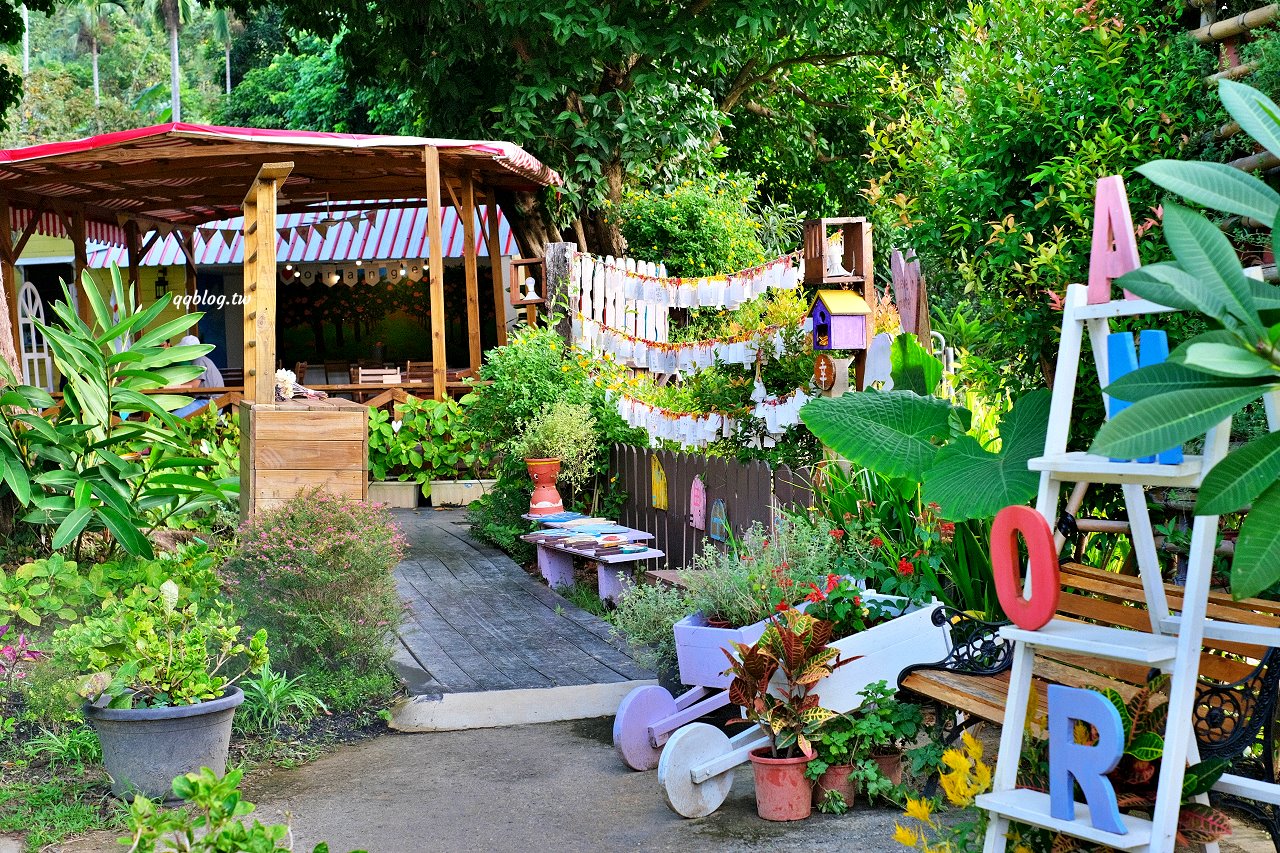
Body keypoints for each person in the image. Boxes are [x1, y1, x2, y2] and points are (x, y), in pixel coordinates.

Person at [172, 334, 225, 417]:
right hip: (211, 402)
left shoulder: (199, 360)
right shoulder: (201, 360)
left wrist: (174, 386)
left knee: (174, 417)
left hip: (211, 403)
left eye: (183, 350)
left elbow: (194, 385)